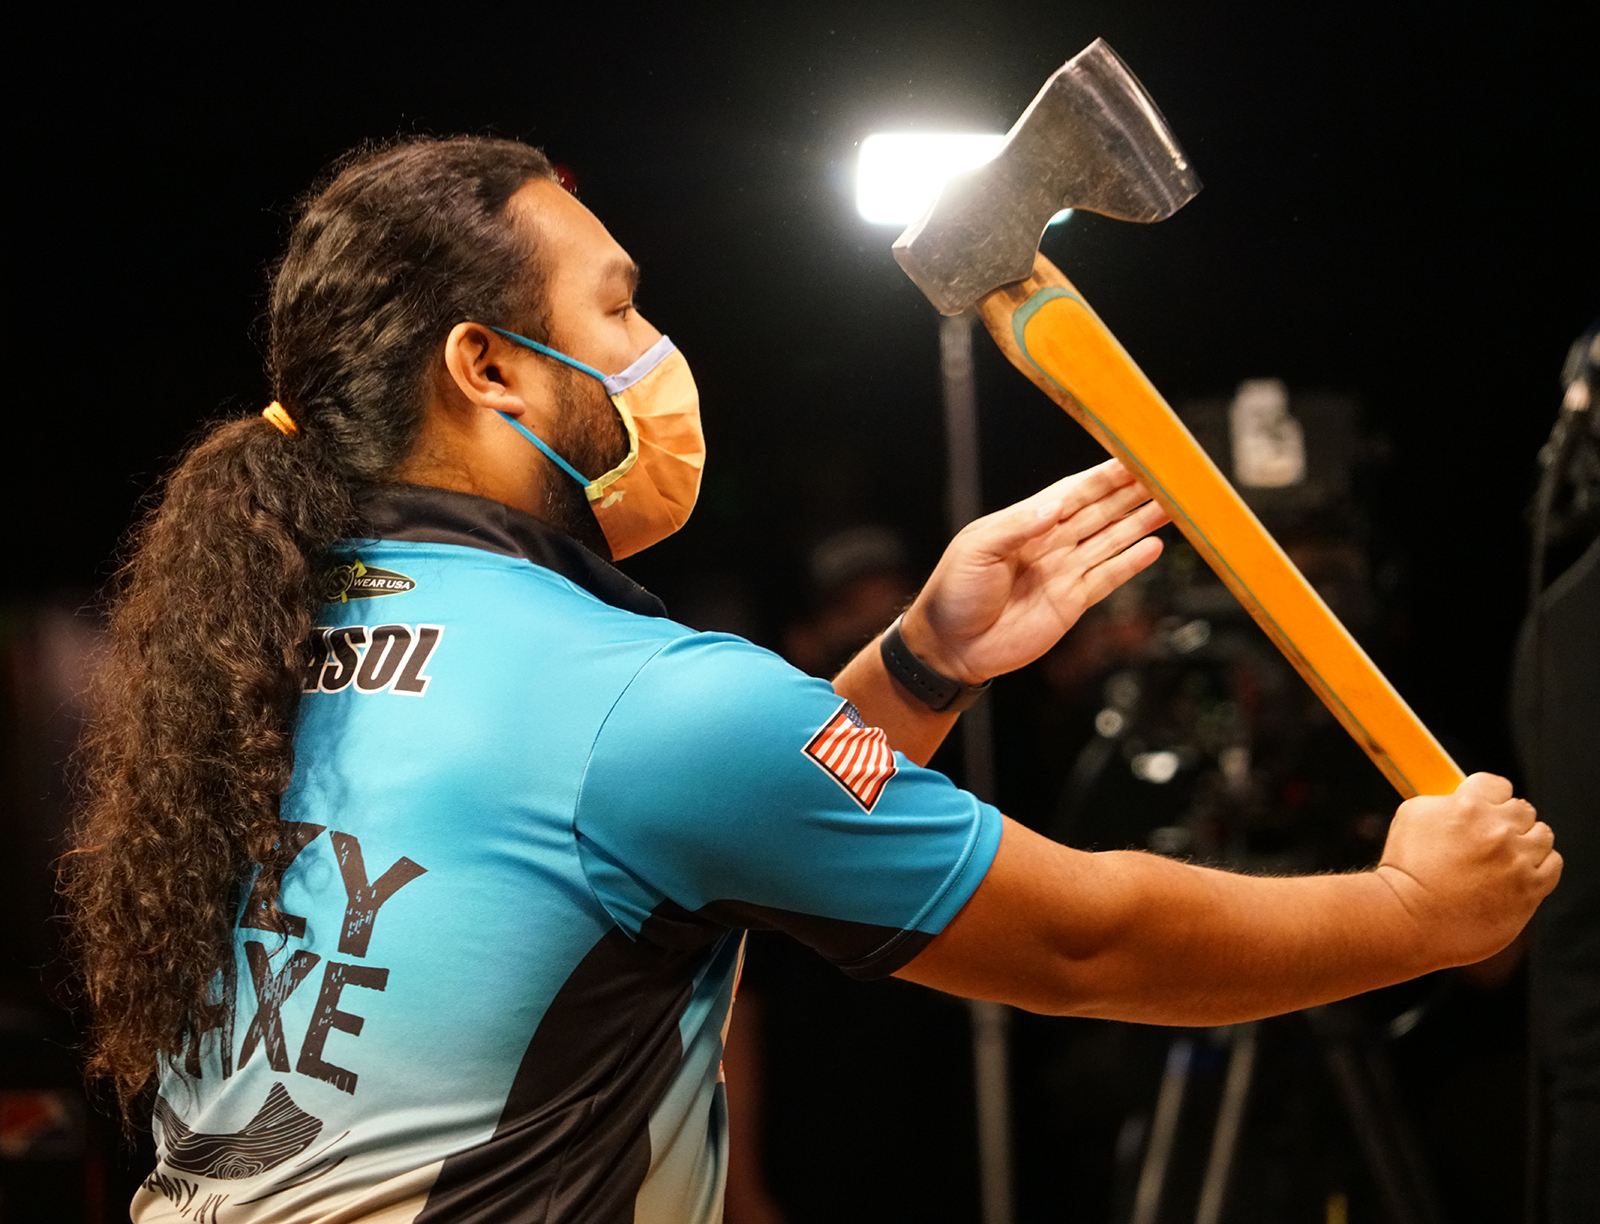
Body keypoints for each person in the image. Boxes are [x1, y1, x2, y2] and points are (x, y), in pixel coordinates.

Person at [63, 136, 1559, 1224]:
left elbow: (647, 829)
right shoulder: (636, 698)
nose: (660, 351)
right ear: (488, 366)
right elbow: (1083, 944)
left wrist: (920, 665)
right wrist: (1419, 914)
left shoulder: (262, 658)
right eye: (619, 309)